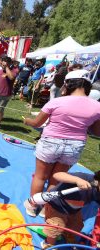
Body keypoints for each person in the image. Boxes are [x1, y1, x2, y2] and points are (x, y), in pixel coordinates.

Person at [23, 69, 100, 217]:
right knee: (56, 178)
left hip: (50, 142)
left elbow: (38, 123)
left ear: (68, 84)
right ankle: (46, 209)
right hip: (74, 146)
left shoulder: (57, 102)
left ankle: (33, 206)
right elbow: (96, 131)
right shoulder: (96, 106)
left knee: (40, 176)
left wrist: (27, 121)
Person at [40, 171, 100, 248]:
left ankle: (68, 235)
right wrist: (77, 180)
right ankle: (48, 244)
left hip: (74, 209)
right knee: (55, 227)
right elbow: (57, 175)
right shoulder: (83, 177)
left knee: (76, 226)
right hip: (57, 206)